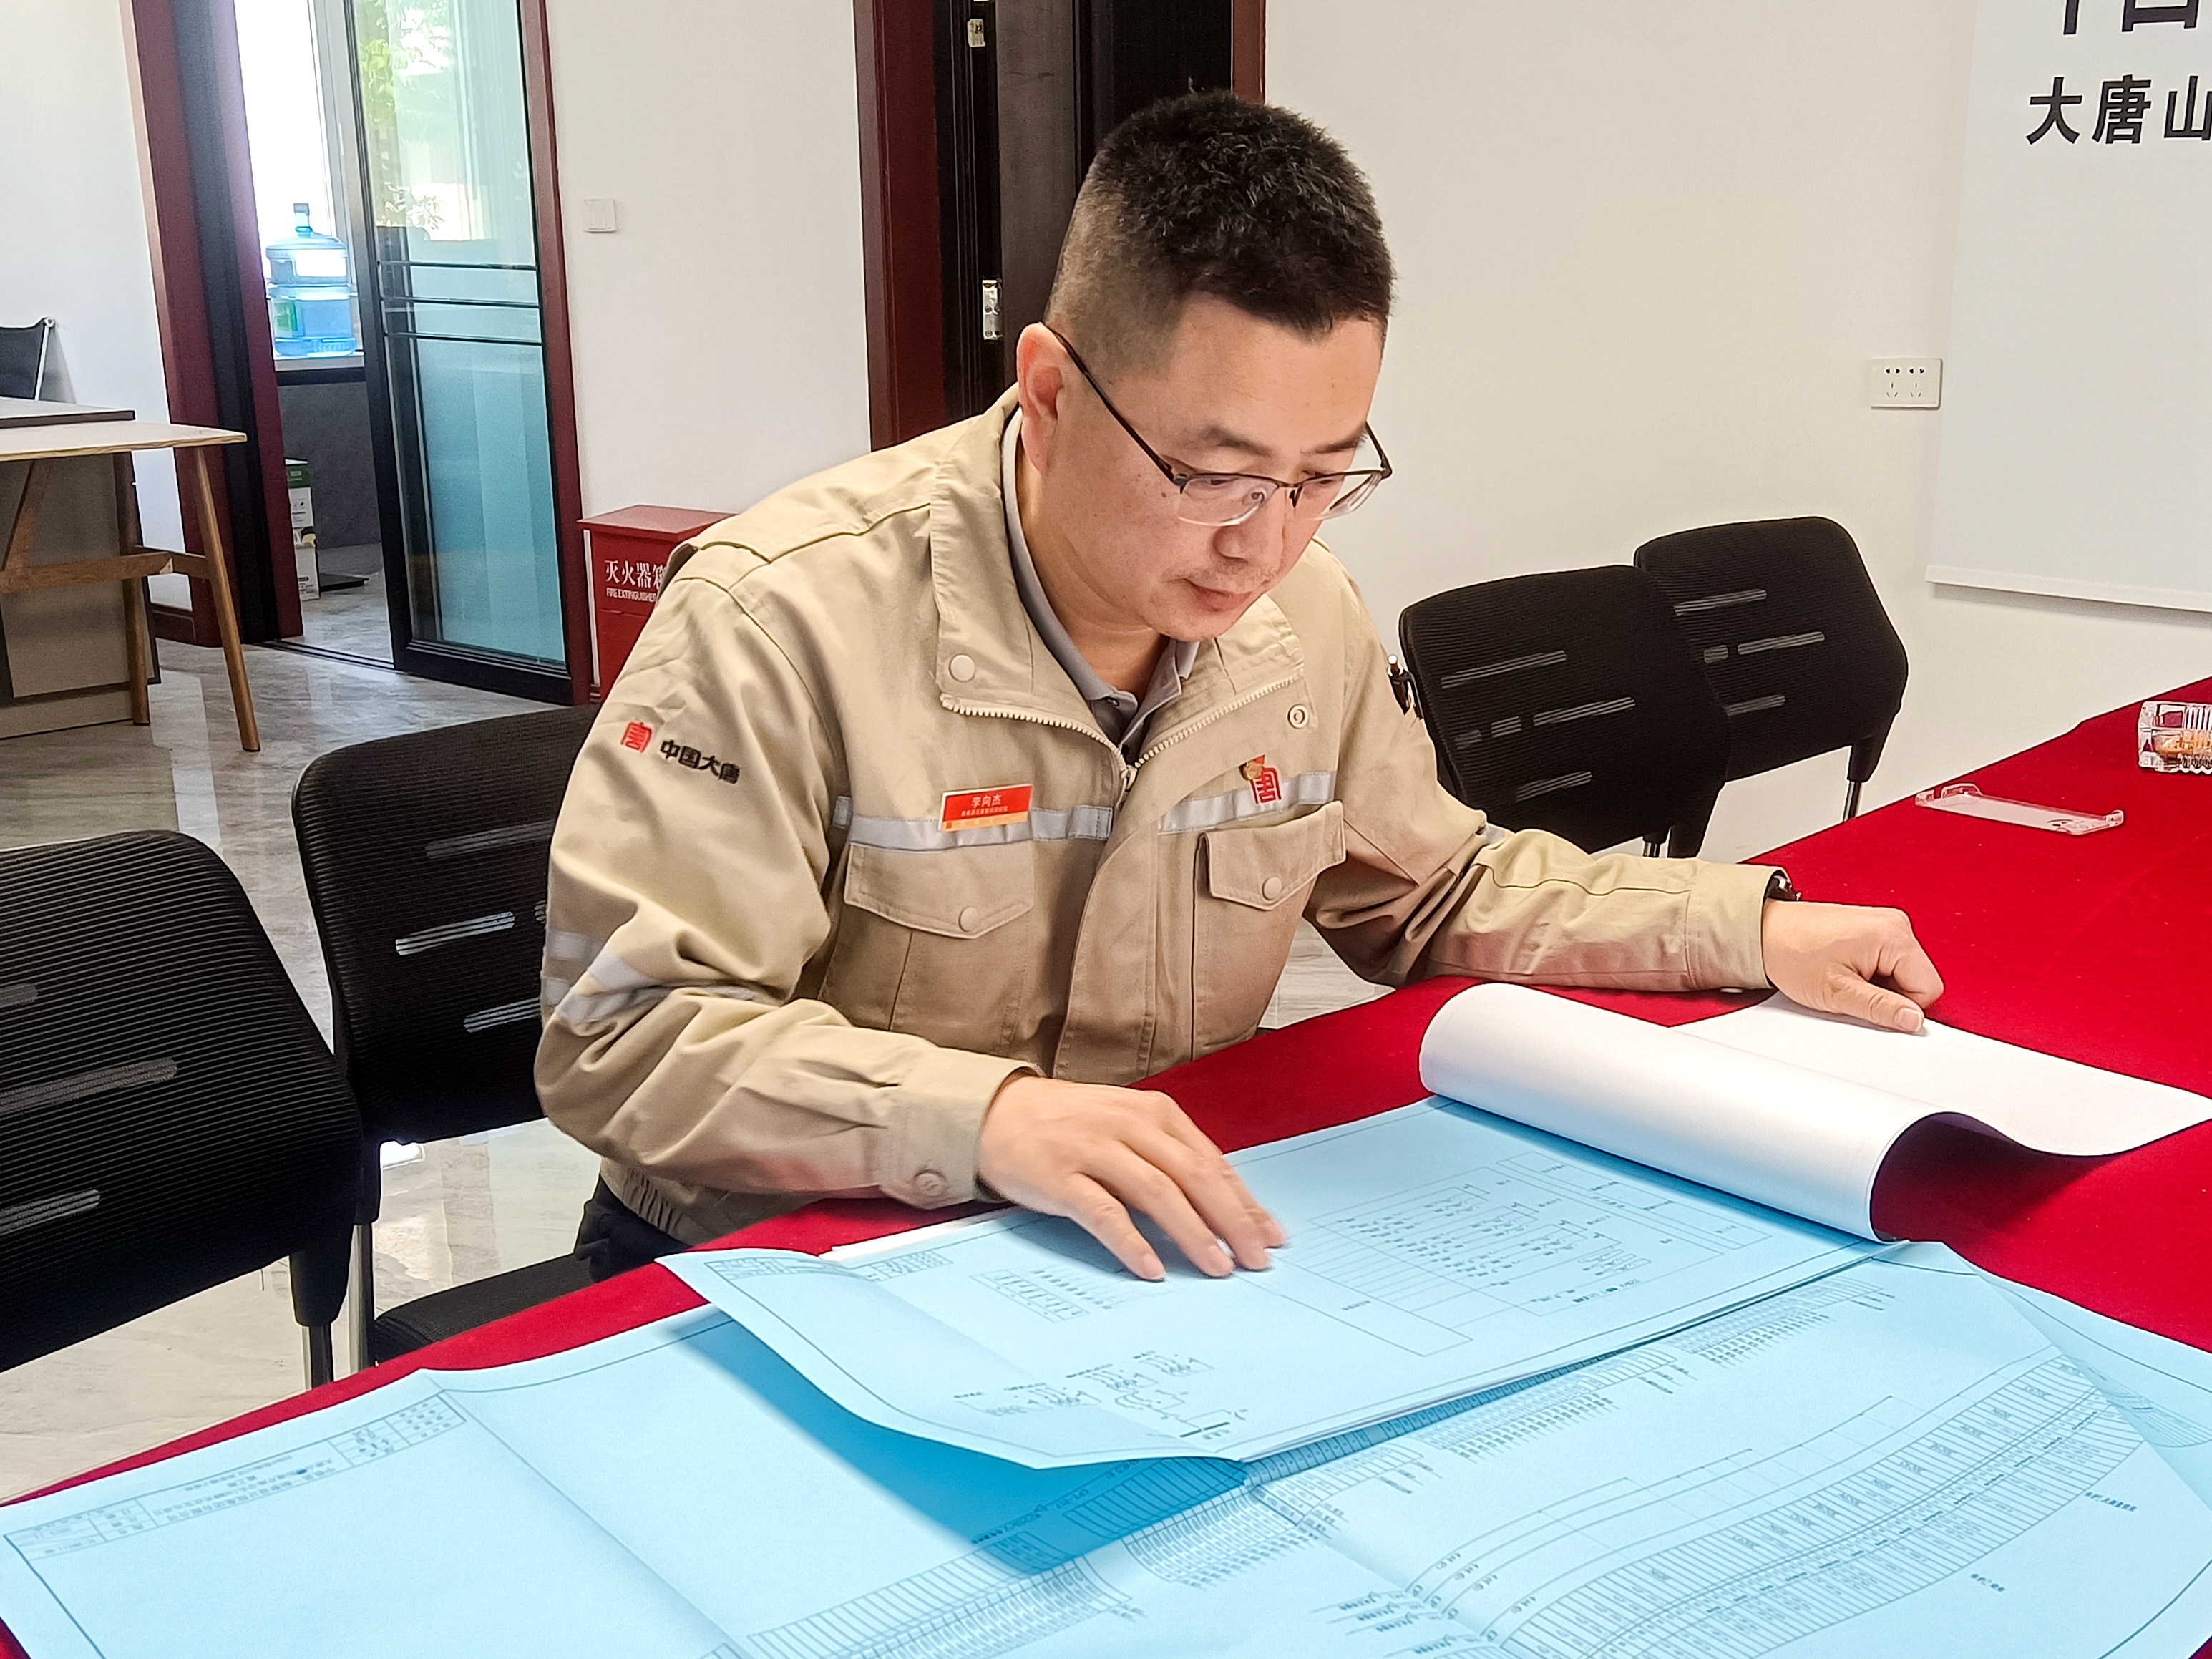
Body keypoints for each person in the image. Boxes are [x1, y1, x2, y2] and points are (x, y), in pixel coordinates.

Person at [538, 92, 1942, 1285]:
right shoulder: (781, 617)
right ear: (1052, 394)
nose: (1264, 542)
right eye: (1213, 474)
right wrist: (983, 1117)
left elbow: (1434, 891)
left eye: (1325, 475)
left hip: (1122, 1241)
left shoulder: (1301, 618)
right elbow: (626, 1035)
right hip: (782, 1257)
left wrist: (1749, 925)